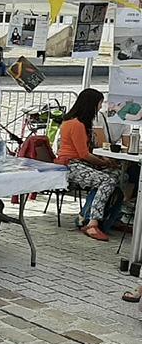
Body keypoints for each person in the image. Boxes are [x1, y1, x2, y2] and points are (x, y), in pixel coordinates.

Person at [56, 88, 123, 242]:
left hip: (77, 163)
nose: (100, 107)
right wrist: (103, 162)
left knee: (117, 175)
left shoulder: (74, 122)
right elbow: (83, 154)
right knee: (107, 180)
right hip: (71, 164)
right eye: (99, 103)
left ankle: (87, 215)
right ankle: (93, 221)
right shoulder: (77, 124)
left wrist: (104, 162)